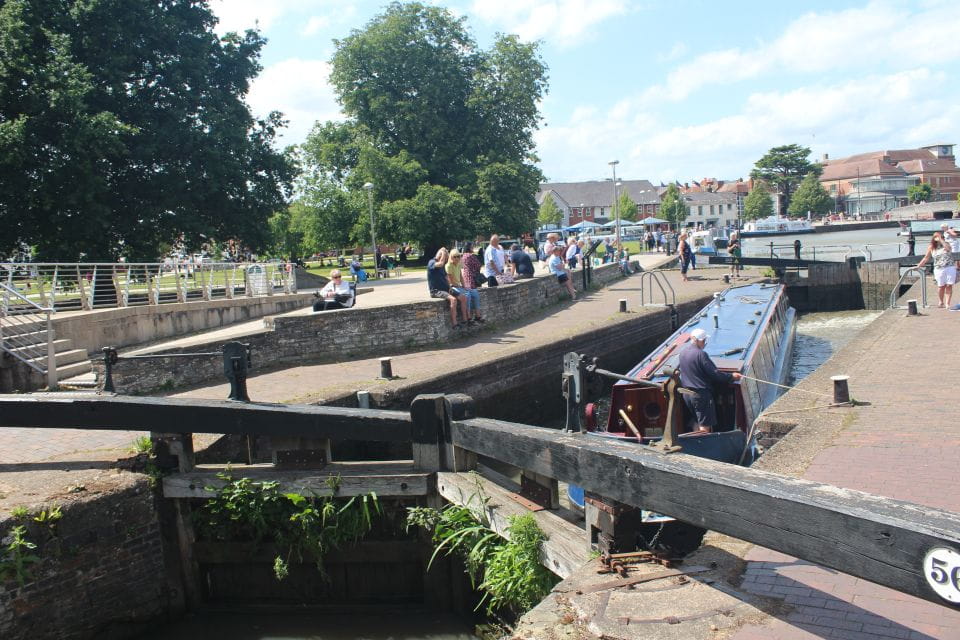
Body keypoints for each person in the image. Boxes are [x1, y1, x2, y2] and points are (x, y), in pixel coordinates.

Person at [679, 328, 743, 433]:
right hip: (700, 395)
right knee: (704, 425)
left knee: (697, 420)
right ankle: (703, 443)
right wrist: (731, 376)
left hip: (686, 395)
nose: (704, 343)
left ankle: (695, 441)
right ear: (697, 340)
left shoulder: (682, 353)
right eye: (704, 341)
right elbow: (714, 374)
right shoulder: (701, 354)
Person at [427, 248, 469, 328]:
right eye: (446, 257)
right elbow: (440, 263)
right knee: (453, 300)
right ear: (441, 255)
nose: (447, 259)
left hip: (445, 289)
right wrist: (443, 253)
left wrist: (449, 287)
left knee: (463, 297)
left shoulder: (442, 265)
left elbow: (446, 277)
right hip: (436, 291)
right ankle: (455, 324)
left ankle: (465, 320)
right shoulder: (431, 262)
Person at [916, 232, 959, 308]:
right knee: (941, 286)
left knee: (949, 285)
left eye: (940, 236)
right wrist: (918, 266)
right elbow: (926, 258)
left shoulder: (946, 244)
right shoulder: (931, 247)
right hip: (939, 268)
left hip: (949, 267)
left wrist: (941, 240)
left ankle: (947, 303)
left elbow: (948, 249)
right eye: (936, 237)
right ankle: (941, 301)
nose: (938, 238)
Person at [447, 249, 483, 325]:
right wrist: (461, 287)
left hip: (459, 286)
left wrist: (464, 286)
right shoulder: (449, 265)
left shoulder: (458, 264)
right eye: (454, 257)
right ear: (451, 257)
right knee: (467, 295)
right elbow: (450, 281)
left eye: (458, 256)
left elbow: (461, 277)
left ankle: (478, 315)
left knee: (475, 293)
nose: (457, 258)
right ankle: (468, 318)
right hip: (452, 287)